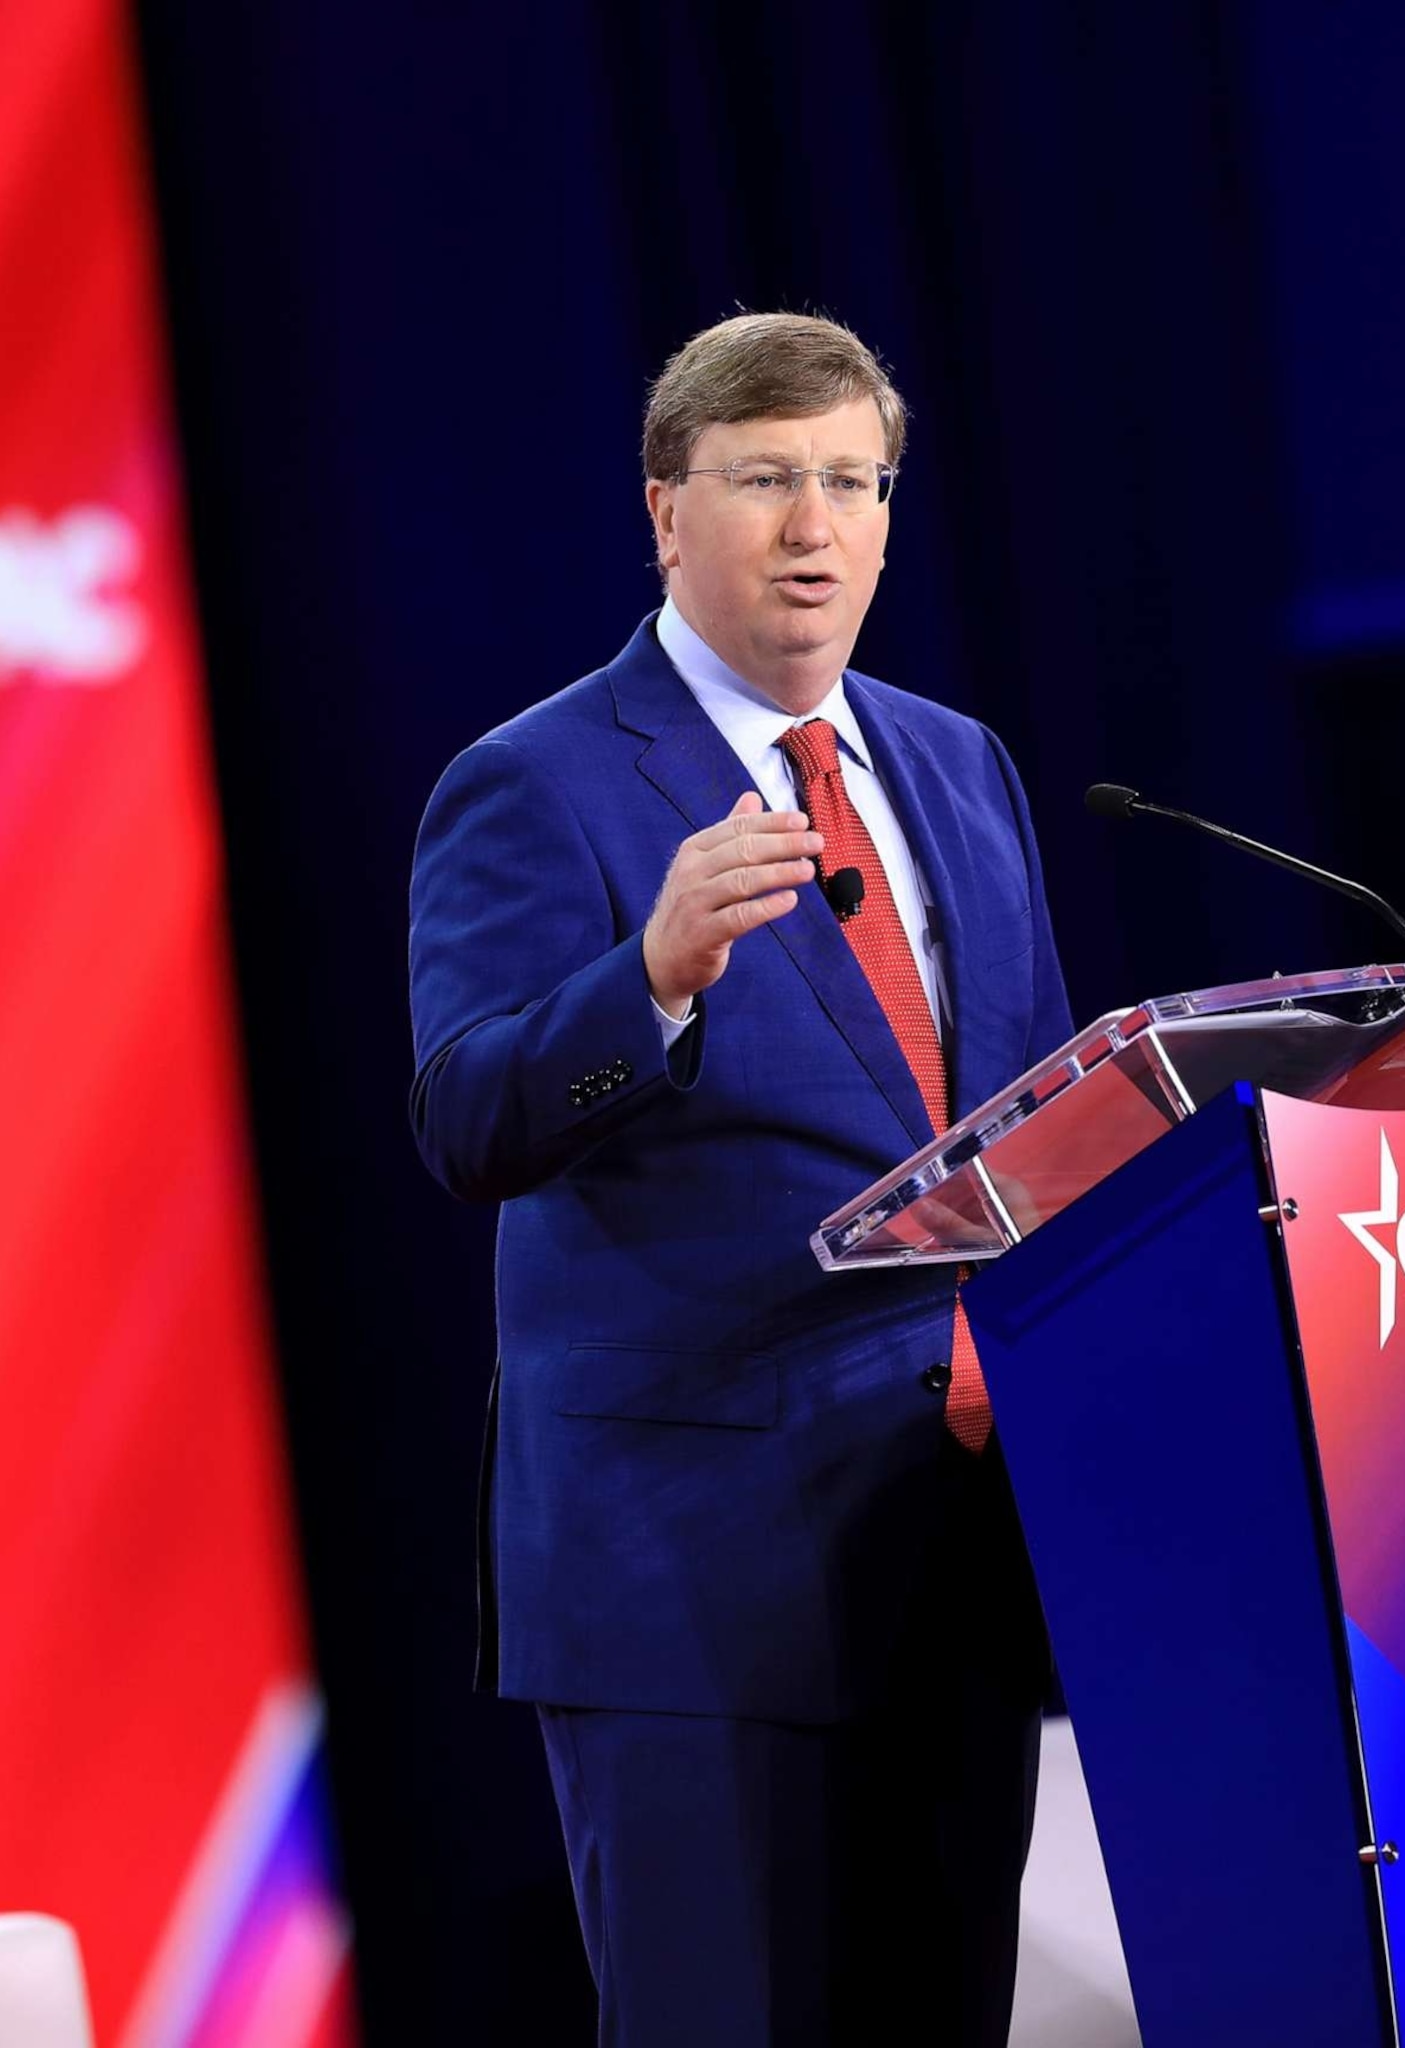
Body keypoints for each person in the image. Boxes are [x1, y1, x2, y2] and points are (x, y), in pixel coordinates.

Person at [406, 311, 1079, 2044]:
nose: (815, 527)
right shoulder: (535, 784)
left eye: (852, 482)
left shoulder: (957, 765)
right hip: (689, 1592)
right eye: (768, 478)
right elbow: (468, 1117)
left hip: (947, 1548)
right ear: (665, 512)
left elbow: (1049, 1118)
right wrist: (651, 979)